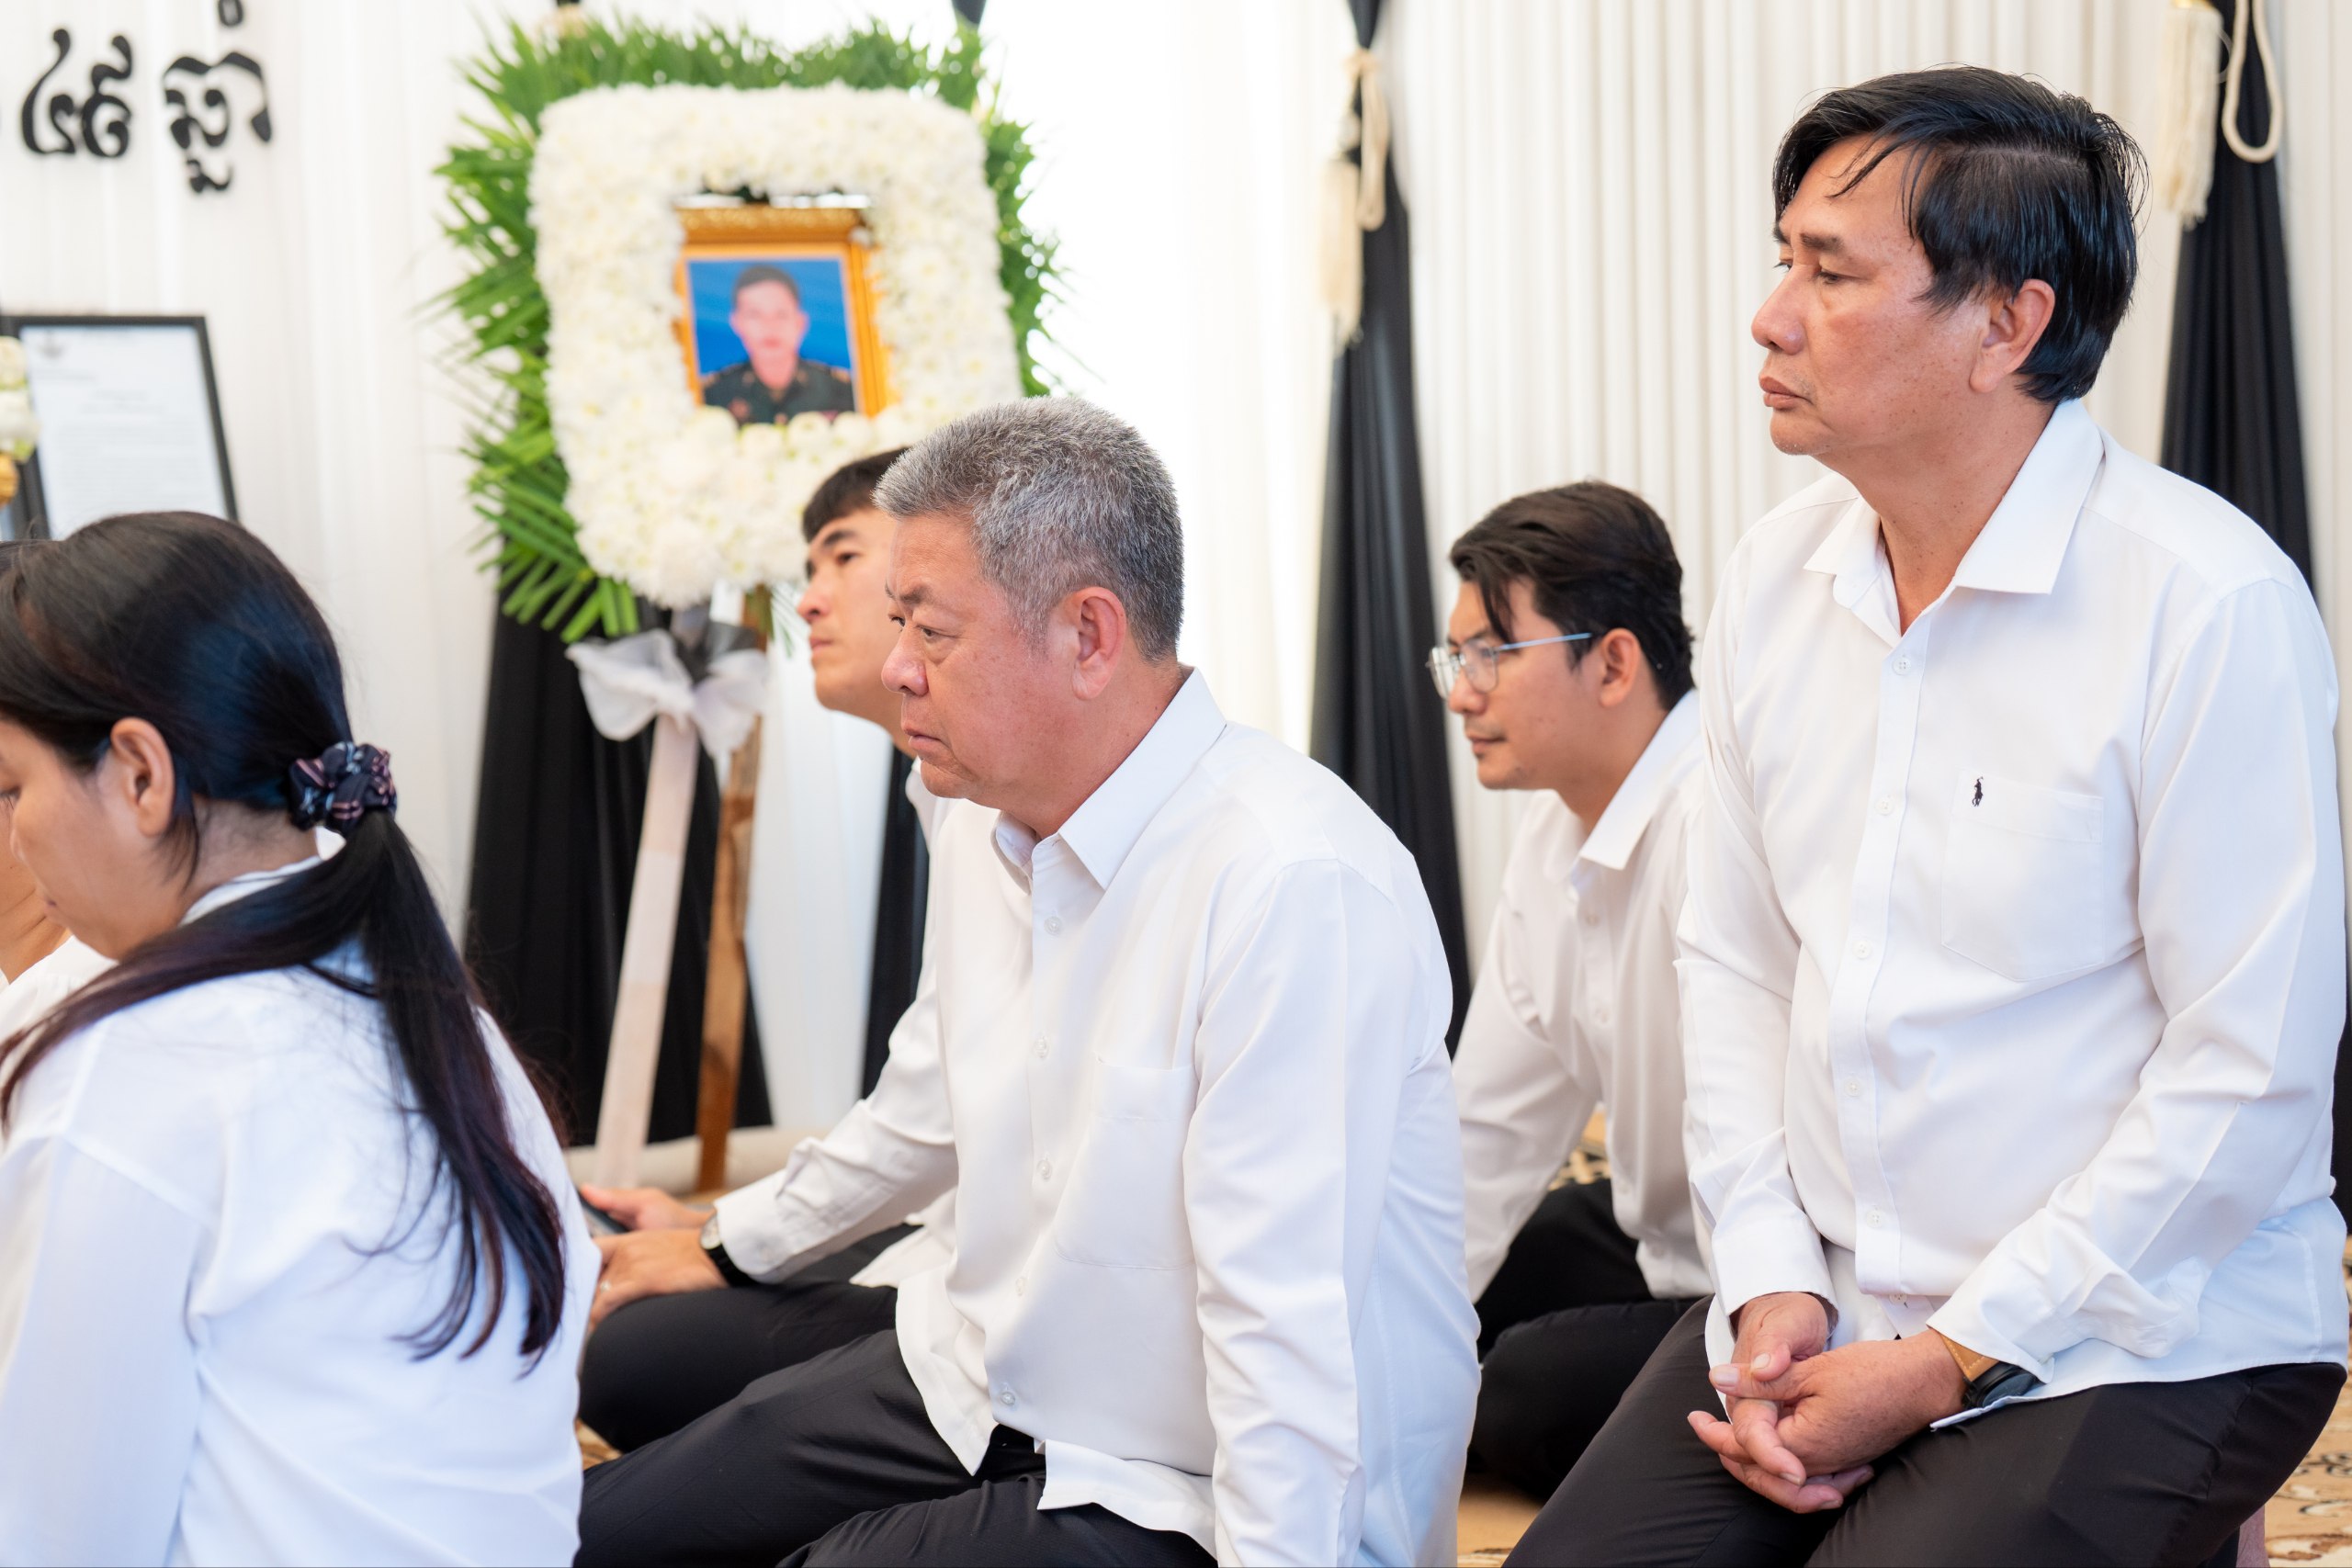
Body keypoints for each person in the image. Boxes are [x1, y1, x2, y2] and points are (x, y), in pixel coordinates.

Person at [1514, 67, 2347, 1565]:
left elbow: (2246, 1076)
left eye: (1830, 272)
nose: (1770, 316)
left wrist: (1946, 1358)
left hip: (2143, 1326)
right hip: (1833, 1296)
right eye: (1784, 259)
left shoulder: (2207, 605)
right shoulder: (1776, 581)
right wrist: (1770, 1278)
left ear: (2009, 324)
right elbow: (1734, 962)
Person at [577, 398, 1478, 1566]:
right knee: (594, 1532)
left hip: (1183, 1480)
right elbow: (931, 1114)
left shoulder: (1289, 882)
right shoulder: (981, 823)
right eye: (898, 622)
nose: (897, 666)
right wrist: (726, 1241)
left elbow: (1283, 1341)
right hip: (986, 1379)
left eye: (930, 632)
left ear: (1088, 635)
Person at [0, 512, 596, 1564]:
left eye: (11, 788)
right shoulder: (434, 1011)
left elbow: (55, 1534)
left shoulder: (132, 1063)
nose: (14, 837)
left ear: (140, 774)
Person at [579, 447, 967, 1455]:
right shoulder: (943, 793)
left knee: (631, 1355)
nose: (808, 601)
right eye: (806, 570)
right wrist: (720, 1226)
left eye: (842, 556)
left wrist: (718, 1243)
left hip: (1000, 1303)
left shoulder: (993, 799)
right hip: (958, 1237)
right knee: (644, 1310)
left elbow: (925, 1121)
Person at [1430, 482, 1709, 1502]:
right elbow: (1484, 1137)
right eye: (1454, 659)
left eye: (1490, 656)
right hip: (1662, 1228)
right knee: (1475, 1273)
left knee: (1524, 1386)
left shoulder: (1722, 821)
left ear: (1615, 663)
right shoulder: (1552, 838)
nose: (1462, 695)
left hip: (1784, 1283)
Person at [701, 264, 858, 425]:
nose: (769, 326)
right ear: (736, 322)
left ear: (800, 322)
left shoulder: (843, 390)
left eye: (781, 314)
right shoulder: (712, 394)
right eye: (755, 315)